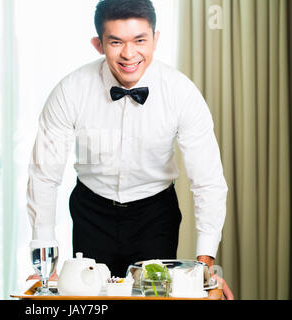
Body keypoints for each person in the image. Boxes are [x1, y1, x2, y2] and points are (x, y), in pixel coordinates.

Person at [26, 0, 234, 299]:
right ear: (98, 44)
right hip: (91, 212)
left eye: (139, 40)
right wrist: (44, 265)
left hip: (155, 215)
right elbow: (44, 176)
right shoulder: (70, 91)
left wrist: (205, 266)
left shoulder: (181, 93)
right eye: (116, 42)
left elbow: (208, 182)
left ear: (155, 39)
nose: (129, 53)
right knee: (91, 303)